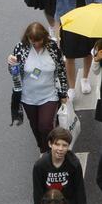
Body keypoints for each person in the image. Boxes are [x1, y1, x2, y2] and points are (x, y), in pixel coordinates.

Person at [26, 0, 102, 103]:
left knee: (87, 50)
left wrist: (99, 9)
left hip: (87, 15)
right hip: (68, 18)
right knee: (69, 54)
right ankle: (71, 86)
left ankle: (85, 79)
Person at [8, 23, 68, 152]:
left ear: (44, 37)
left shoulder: (52, 47)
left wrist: (63, 93)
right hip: (28, 97)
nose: (36, 44)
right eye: (32, 41)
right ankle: (43, 147)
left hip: (49, 95)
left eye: (38, 41)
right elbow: (14, 73)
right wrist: (11, 64)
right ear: (28, 38)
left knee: (45, 126)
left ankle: (48, 151)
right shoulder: (20, 48)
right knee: (35, 126)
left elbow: (61, 70)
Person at [33, 127, 88, 204]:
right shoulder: (40, 166)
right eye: (57, 144)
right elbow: (38, 194)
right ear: (50, 144)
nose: (60, 149)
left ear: (68, 146)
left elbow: (80, 191)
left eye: (64, 145)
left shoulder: (74, 164)